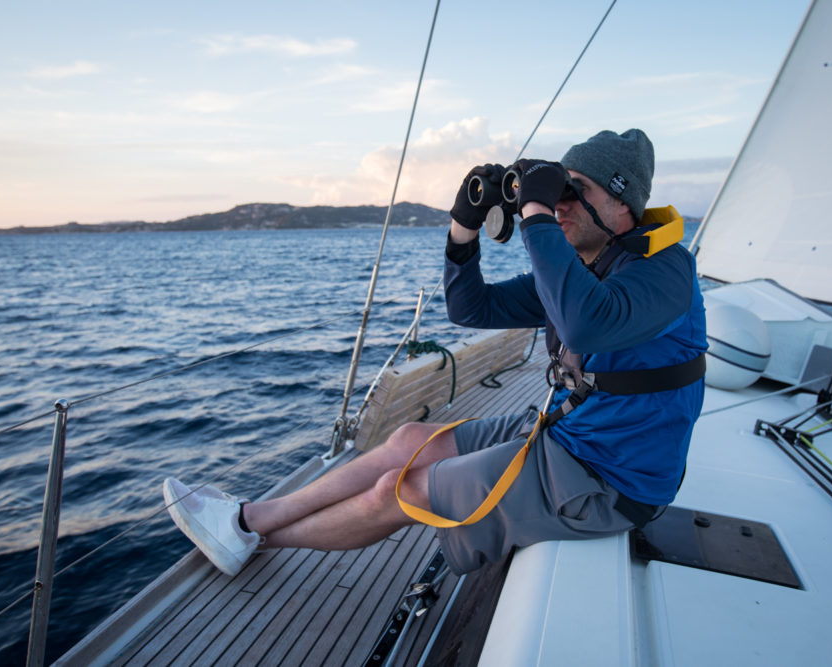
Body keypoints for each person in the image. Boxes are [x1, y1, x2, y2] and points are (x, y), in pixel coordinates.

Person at [163, 129, 707, 577]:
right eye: (559, 186)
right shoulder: (580, 267)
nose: (562, 202)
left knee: (400, 491)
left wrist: (536, 209)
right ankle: (246, 517)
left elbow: (586, 325)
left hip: (611, 479)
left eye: (575, 188)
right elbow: (470, 308)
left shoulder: (666, 271)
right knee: (406, 441)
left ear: (621, 202)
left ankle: (254, 542)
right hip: (569, 434)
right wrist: (462, 229)